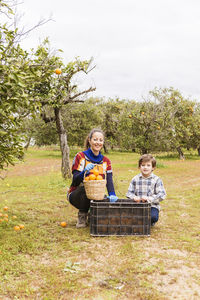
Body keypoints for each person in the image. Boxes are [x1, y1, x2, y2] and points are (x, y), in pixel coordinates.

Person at [67, 128, 118, 228]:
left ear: (103, 142)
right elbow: (75, 181)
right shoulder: (80, 156)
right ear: (89, 140)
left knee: (102, 197)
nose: (98, 142)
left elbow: (109, 180)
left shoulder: (106, 161)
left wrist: (112, 194)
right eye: (95, 139)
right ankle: (82, 216)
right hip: (77, 194)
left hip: (96, 193)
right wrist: (84, 172)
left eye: (100, 140)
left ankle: (92, 214)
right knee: (85, 189)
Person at [126, 154, 166, 226]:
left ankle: (149, 221)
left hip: (152, 206)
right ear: (139, 167)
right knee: (127, 216)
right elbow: (129, 193)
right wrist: (134, 197)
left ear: (153, 167)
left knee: (153, 217)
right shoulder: (135, 179)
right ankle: (140, 221)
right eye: (143, 165)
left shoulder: (157, 180)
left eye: (148, 165)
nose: (145, 167)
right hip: (138, 205)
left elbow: (162, 195)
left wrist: (149, 198)